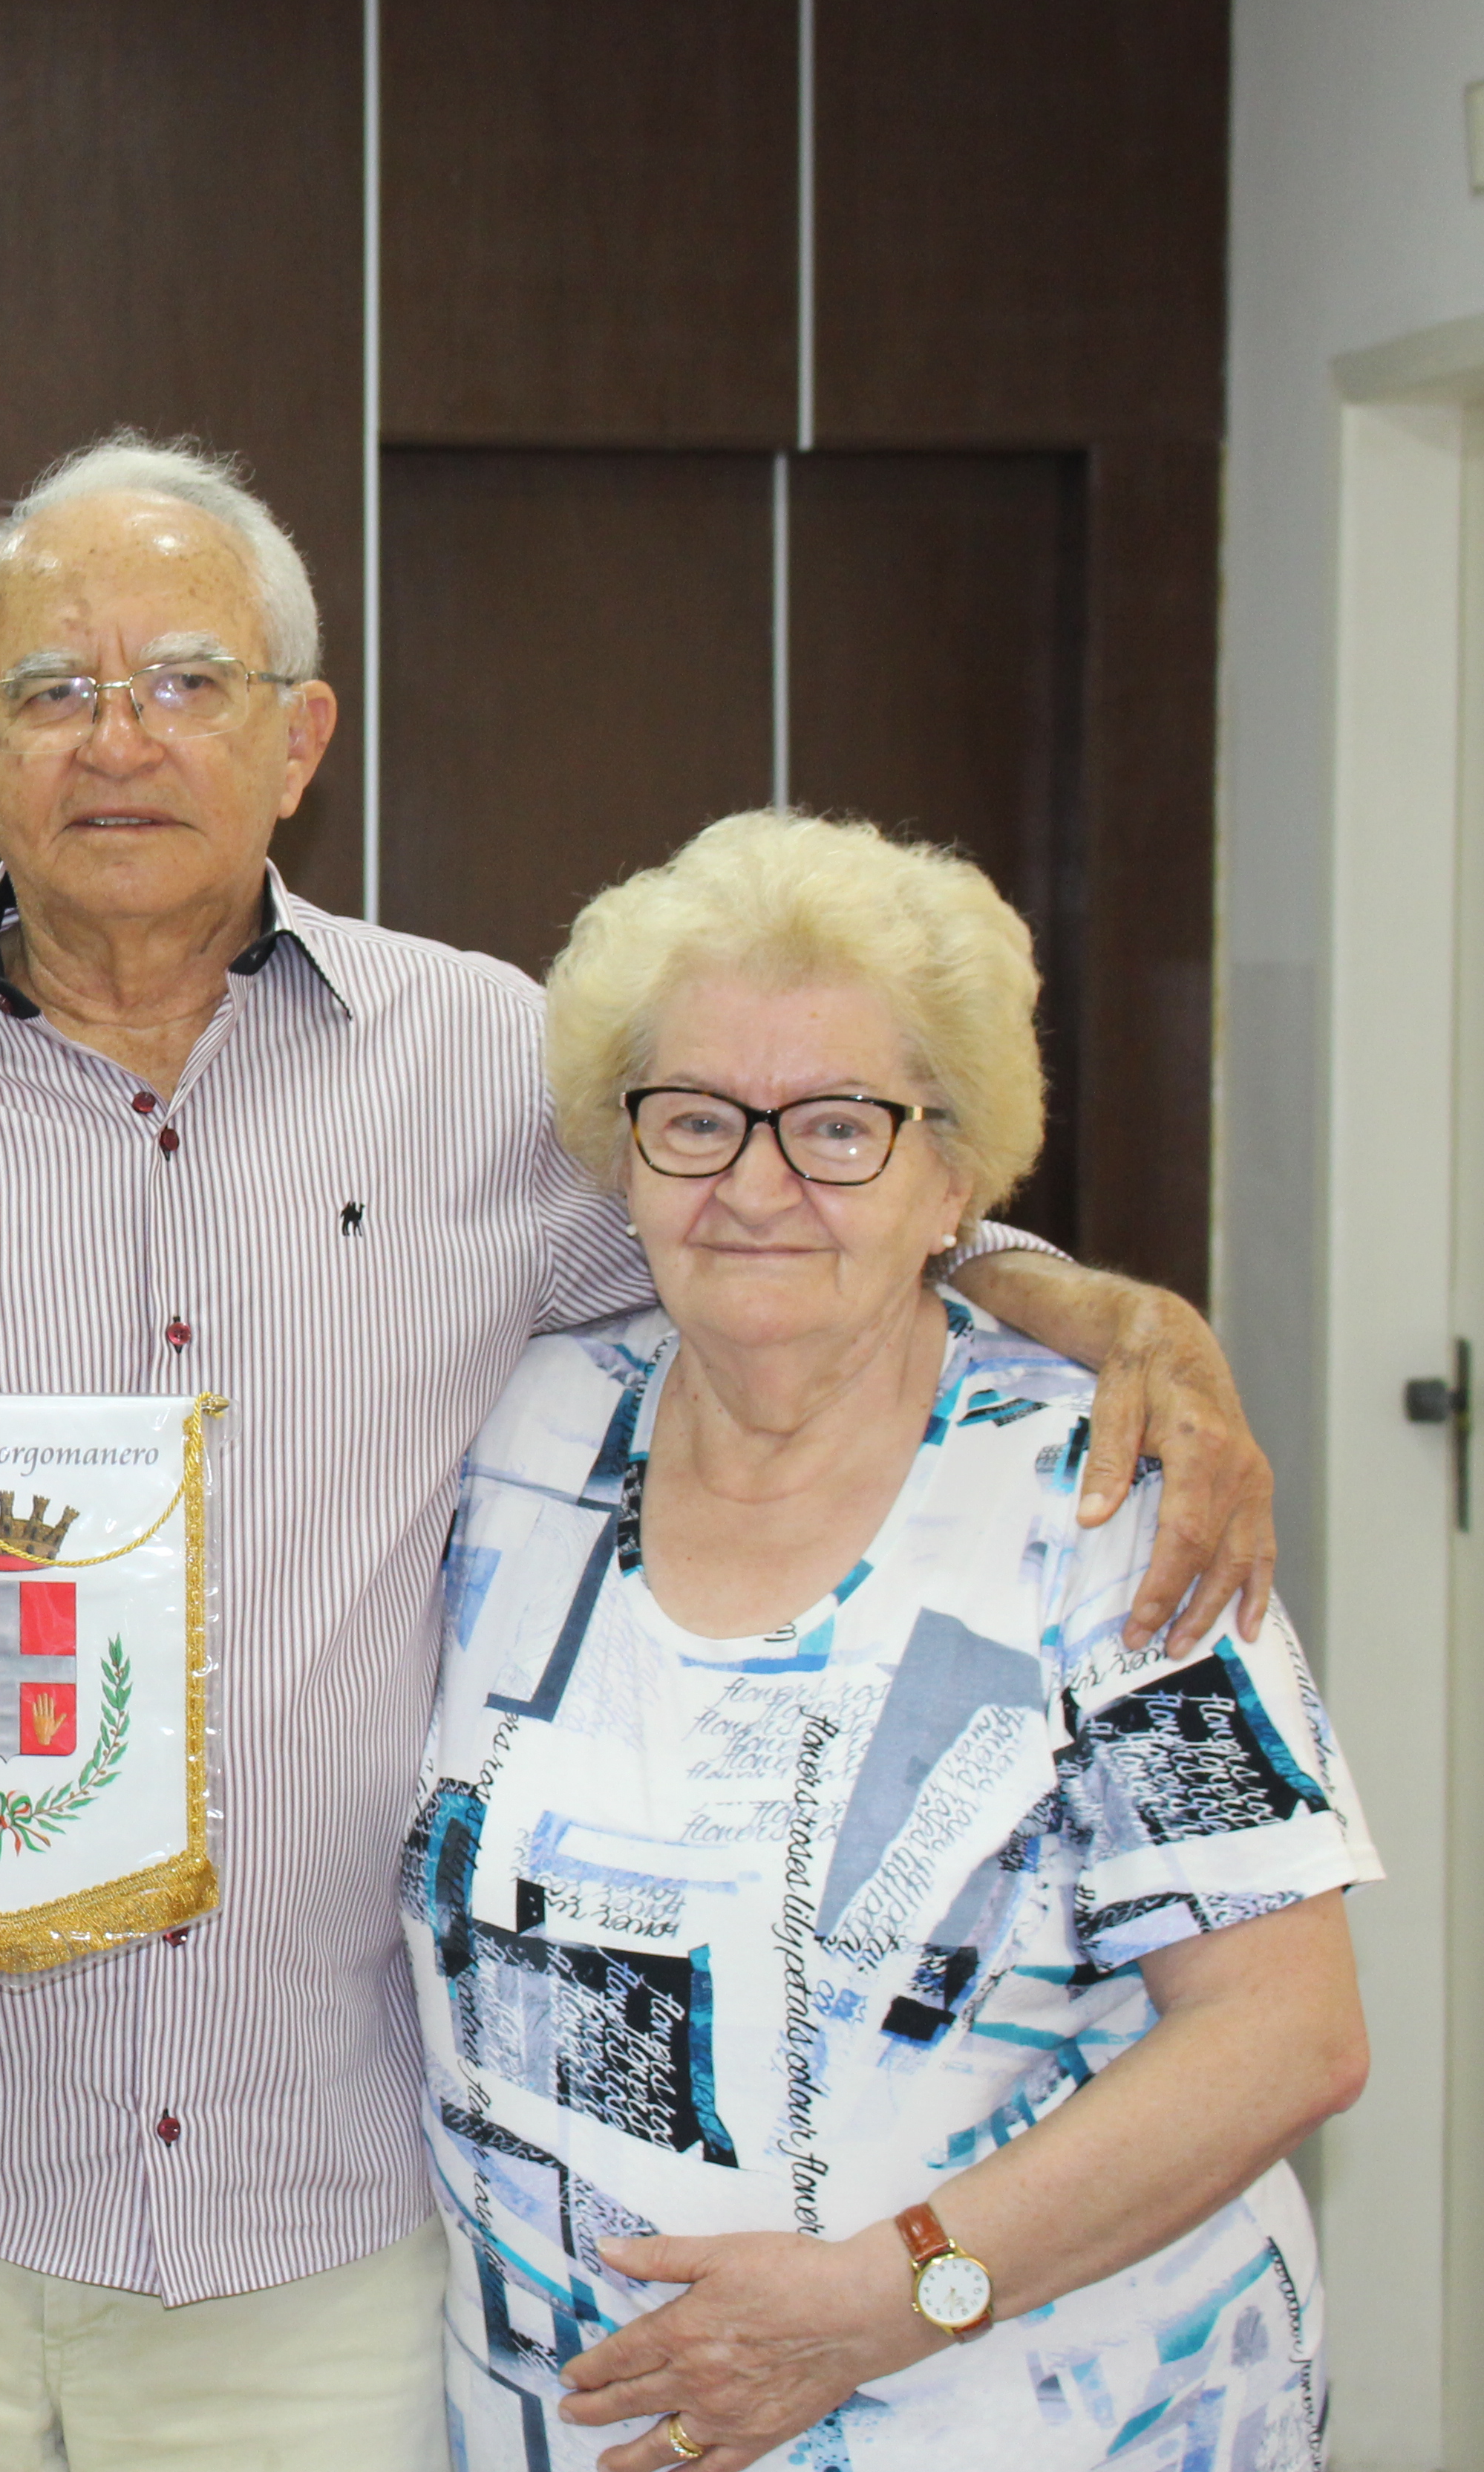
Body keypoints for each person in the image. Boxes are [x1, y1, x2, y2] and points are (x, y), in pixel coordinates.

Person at [0, 435, 1280, 2471]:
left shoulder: (494, 1067)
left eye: (186, 681)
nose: (118, 738)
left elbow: (767, 1217)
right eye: (51, 693)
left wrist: (1104, 1308)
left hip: (320, 2211)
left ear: (302, 735)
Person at [408, 811, 1371, 2471]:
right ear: (620, 1152)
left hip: (1038, 2409)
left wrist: (879, 2298)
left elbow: (1285, 2034)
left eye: (839, 1127)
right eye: (697, 1119)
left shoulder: (1106, 1495)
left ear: (954, 1176)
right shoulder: (526, 1434)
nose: (758, 1185)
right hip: (572, 2421)